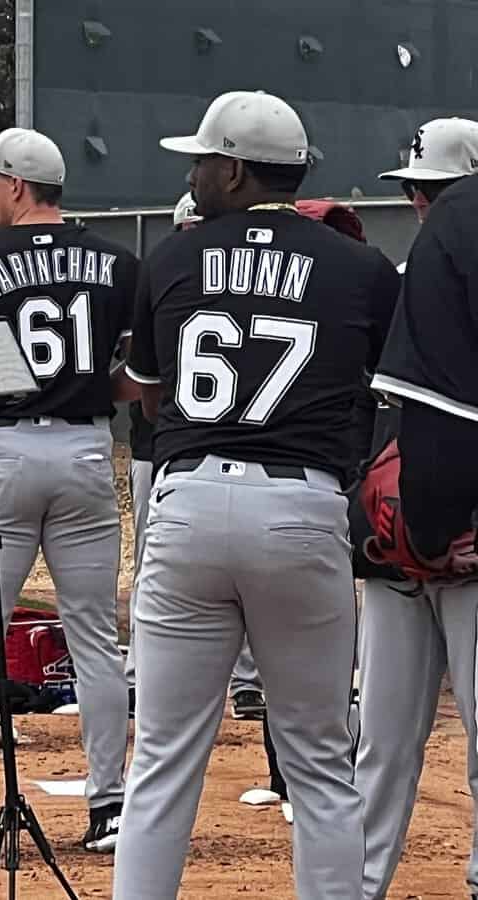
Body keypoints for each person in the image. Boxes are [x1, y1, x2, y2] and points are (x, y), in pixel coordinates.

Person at [113, 90, 400, 899]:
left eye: (202, 159)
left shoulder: (173, 257)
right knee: (319, 765)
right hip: (303, 507)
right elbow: (390, 392)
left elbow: (147, 392)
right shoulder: (361, 266)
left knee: (164, 763)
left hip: (191, 502)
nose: (195, 172)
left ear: (234, 169)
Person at [0, 127, 136, 859]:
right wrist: (93, 392)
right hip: (83, 446)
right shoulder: (115, 262)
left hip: (5, 446)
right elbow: (139, 376)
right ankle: (108, 808)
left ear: (18, 185)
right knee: (97, 638)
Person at [356, 116, 478, 900]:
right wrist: (370, 529)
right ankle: (355, 886)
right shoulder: (401, 274)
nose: (423, 205)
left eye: (433, 190)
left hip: (466, 539)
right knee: (379, 743)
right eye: (415, 192)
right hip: (398, 541)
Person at [124, 191, 266, 724]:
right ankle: (142, 673)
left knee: (187, 573)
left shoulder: (168, 274)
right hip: (160, 452)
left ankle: (244, 682)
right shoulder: (168, 276)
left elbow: (145, 385)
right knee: (152, 567)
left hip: (178, 452)